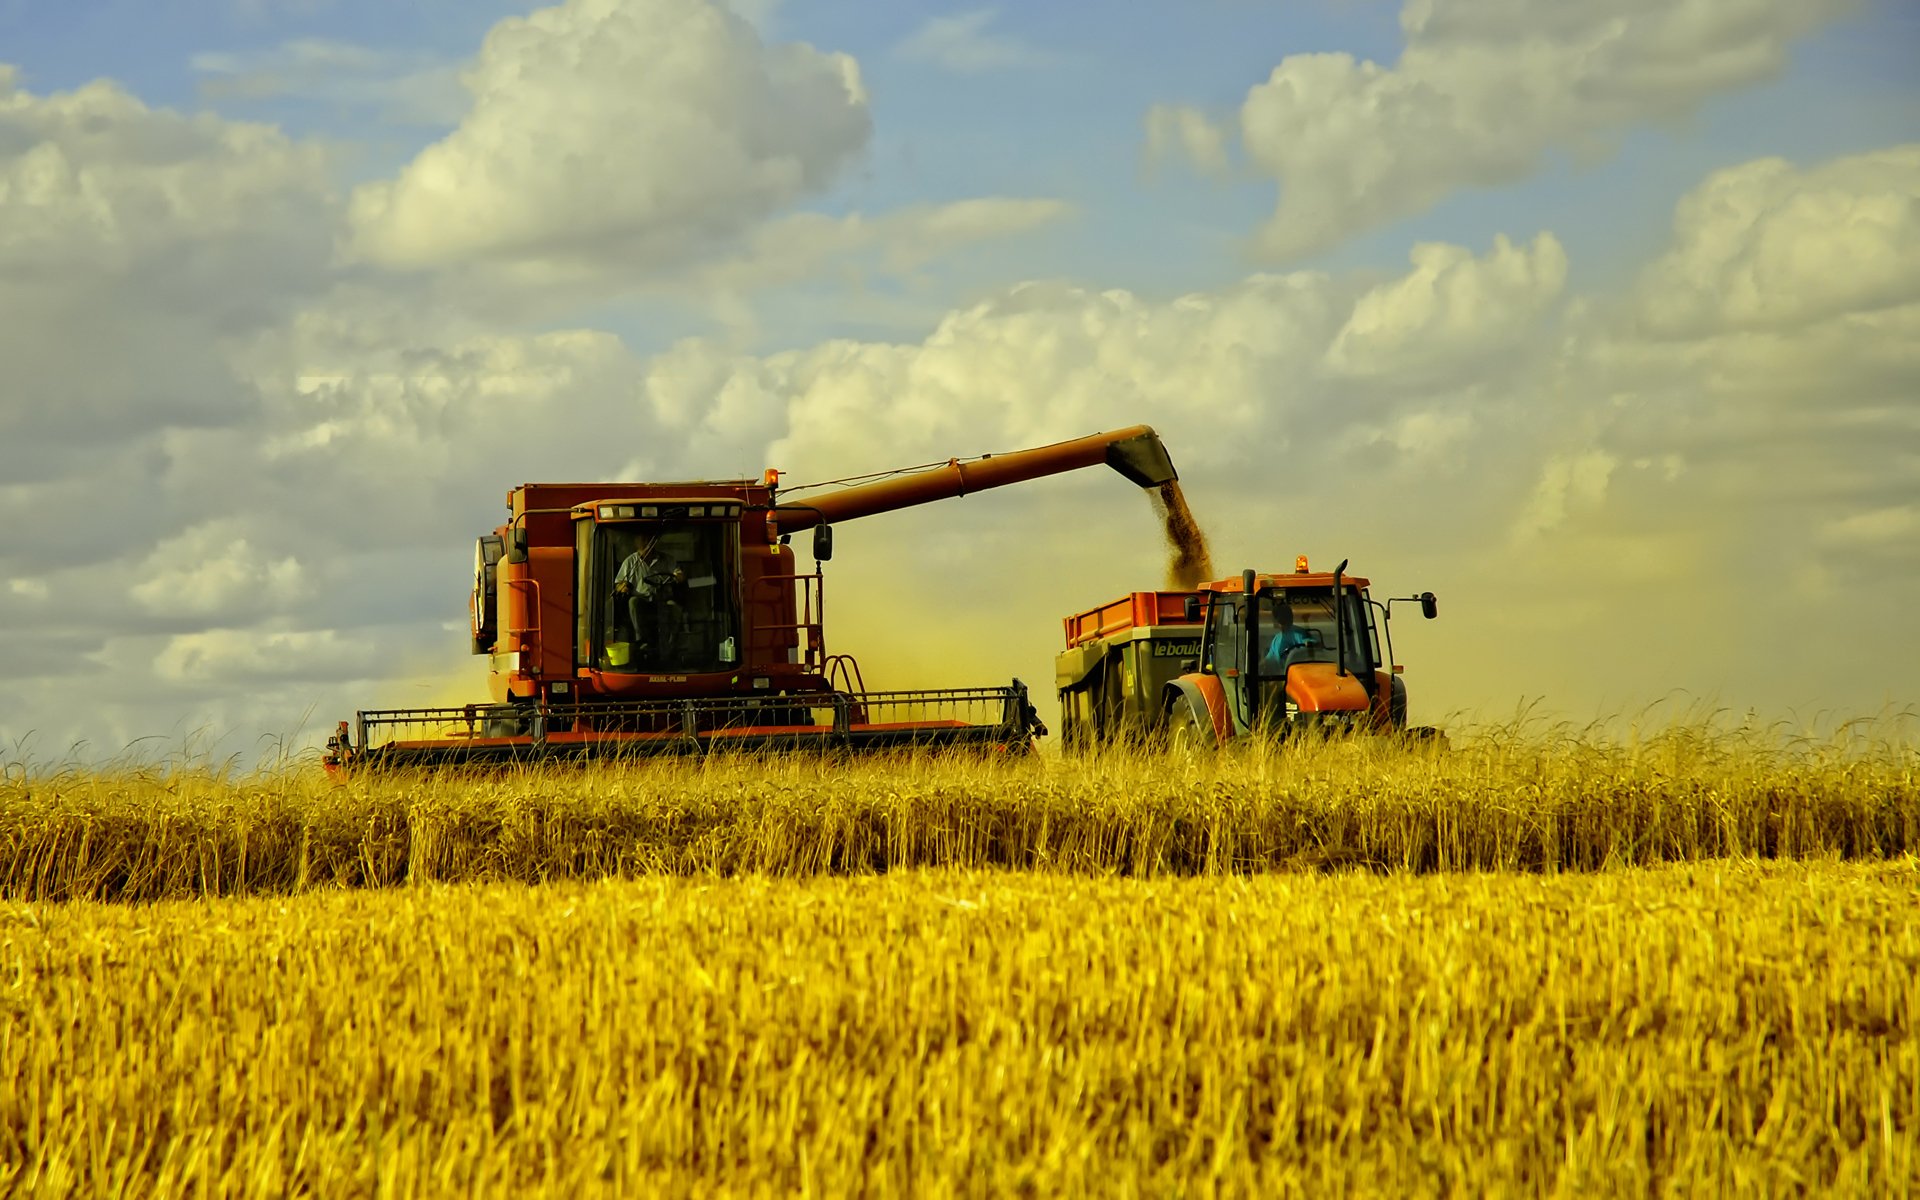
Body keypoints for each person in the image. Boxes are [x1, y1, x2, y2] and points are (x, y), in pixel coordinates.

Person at [614, 535, 685, 660]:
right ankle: (641, 640)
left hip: (663, 600)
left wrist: (678, 576)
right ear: (637, 543)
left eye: (649, 540)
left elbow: (679, 574)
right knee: (633, 602)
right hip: (643, 602)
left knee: (675, 608)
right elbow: (619, 584)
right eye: (643, 540)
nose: (647, 544)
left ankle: (671, 643)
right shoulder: (630, 562)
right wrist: (623, 586)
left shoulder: (667, 559)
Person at [1260, 600, 1316, 672]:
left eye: (1273, 617)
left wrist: (1310, 643)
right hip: (1282, 676)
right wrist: (1258, 666)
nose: (1272, 620)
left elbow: (1313, 644)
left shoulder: (1299, 633)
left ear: (1278, 619)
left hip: (1298, 673)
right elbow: (1269, 659)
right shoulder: (1276, 639)